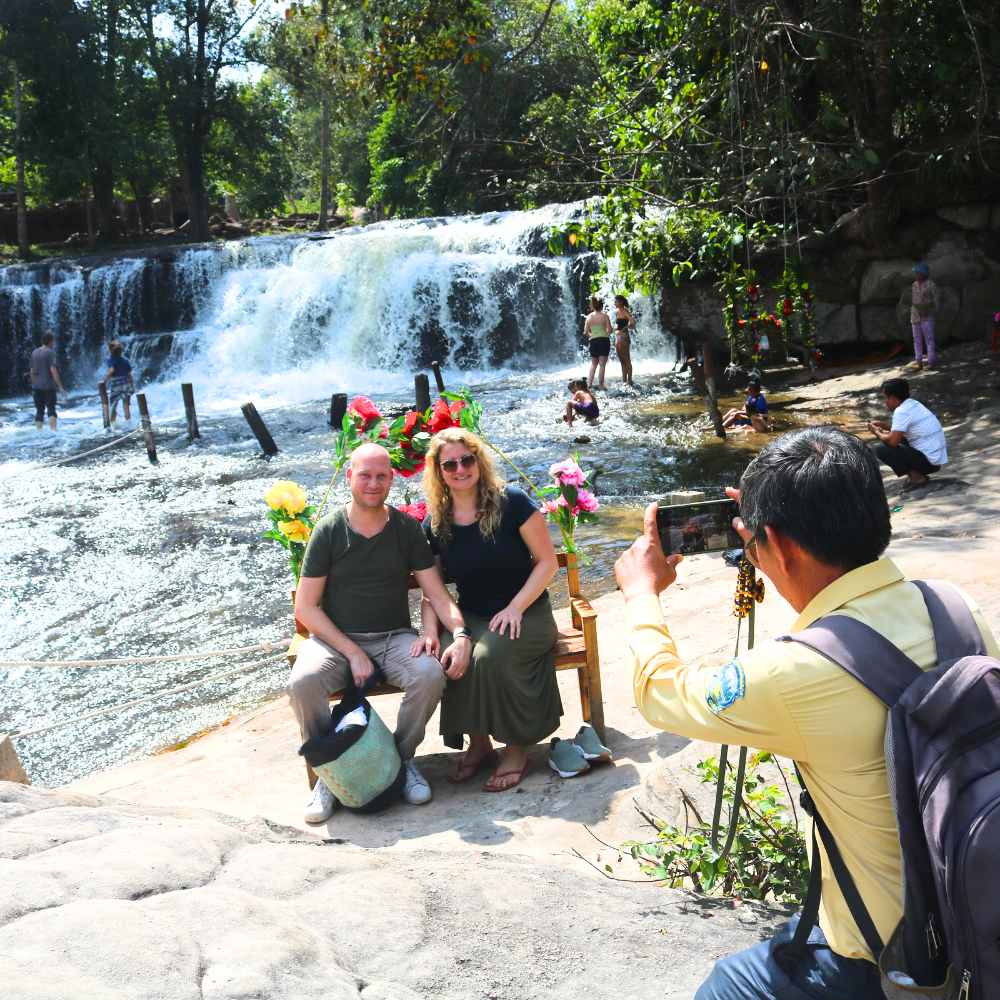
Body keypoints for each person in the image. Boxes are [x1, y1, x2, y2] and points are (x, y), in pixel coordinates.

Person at [614, 426, 998, 999]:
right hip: (980, 909)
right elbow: (838, 634)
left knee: (725, 988)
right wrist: (777, 528)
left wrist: (642, 593)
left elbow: (660, 691)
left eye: (759, 543)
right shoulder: (953, 606)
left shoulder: (793, 677)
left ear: (779, 544)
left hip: (894, 961)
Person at [289, 443, 473, 823]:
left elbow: (436, 594)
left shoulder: (406, 529)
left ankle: (400, 762)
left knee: (428, 674)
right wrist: (352, 652)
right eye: (364, 475)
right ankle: (331, 772)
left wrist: (458, 633)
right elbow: (305, 608)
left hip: (393, 637)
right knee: (303, 681)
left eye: (380, 476)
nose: (373, 483)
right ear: (349, 478)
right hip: (335, 642)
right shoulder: (328, 532)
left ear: (392, 478)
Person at [419, 427, 562, 792]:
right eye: (449, 464)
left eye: (467, 460)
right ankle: (479, 744)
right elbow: (432, 591)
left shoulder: (511, 502)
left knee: (490, 657)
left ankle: (517, 747)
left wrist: (515, 608)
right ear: (438, 472)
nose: (460, 469)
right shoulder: (436, 522)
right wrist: (431, 634)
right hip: (470, 616)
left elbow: (547, 563)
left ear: (478, 462)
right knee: (451, 659)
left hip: (526, 611)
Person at [869, 377, 947, 491]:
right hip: (936, 460)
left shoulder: (901, 411)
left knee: (881, 449)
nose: (885, 402)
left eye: (886, 398)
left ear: (894, 398)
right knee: (894, 439)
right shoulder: (913, 404)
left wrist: (876, 432)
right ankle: (917, 473)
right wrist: (885, 426)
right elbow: (903, 431)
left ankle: (917, 478)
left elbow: (893, 441)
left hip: (930, 462)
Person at [29, 331, 65, 431]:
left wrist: (34, 384)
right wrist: (60, 387)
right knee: (51, 408)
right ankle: (53, 431)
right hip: (49, 386)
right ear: (50, 341)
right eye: (53, 341)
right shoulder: (50, 352)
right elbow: (53, 370)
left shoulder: (34, 352)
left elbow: (32, 371)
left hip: (37, 387)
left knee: (39, 410)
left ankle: (39, 432)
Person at [910, 261, 938, 370]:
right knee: (916, 339)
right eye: (916, 273)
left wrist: (931, 311)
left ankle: (931, 361)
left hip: (927, 315)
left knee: (929, 339)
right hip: (915, 315)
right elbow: (913, 300)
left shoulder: (931, 285)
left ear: (924, 274)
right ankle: (919, 362)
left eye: (918, 273)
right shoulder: (914, 284)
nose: (916, 275)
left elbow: (936, 301)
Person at [583, 295, 613, 390]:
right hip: (603, 340)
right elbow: (609, 329)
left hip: (593, 341)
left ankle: (589, 384)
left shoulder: (589, 317)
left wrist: (592, 335)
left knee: (593, 364)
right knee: (602, 364)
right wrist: (606, 333)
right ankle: (601, 384)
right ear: (601, 306)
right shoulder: (604, 316)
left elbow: (585, 332)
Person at [101, 340, 134, 424]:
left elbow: (111, 370)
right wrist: (132, 385)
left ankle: (112, 423)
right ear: (121, 351)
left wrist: (104, 380)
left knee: (114, 405)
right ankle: (128, 422)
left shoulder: (111, 360)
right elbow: (129, 374)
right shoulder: (125, 360)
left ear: (110, 350)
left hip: (116, 385)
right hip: (126, 384)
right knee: (126, 405)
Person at [613, 294, 636, 385]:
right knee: (622, 360)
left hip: (624, 337)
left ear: (621, 302)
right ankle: (624, 381)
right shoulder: (617, 311)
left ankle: (629, 380)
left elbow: (633, 322)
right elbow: (618, 324)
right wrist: (616, 329)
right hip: (618, 337)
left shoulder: (625, 311)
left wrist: (623, 329)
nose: (614, 303)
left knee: (627, 359)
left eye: (616, 301)